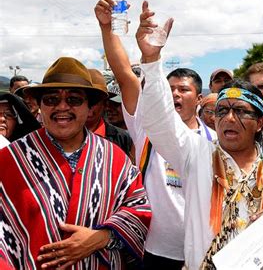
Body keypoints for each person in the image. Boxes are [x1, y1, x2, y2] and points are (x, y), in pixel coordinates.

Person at [133, 1, 263, 269]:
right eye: (222, 111)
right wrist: (151, 60)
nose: (229, 118)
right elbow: (159, 119)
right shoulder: (197, 154)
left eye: (240, 111)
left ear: (261, 122)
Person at [95, 0, 216, 269]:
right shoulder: (146, 125)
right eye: (169, 88)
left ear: (199, 99)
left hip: (202, 252)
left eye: (183, 89)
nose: (175, 93)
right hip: (150, 251)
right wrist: (106, 27)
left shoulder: (215, 141)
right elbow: (125, 74)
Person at [0, 57, 151, 269]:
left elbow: (139, 208)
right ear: (39, 106)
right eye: (51, 99)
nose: (62, 107)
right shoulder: (10, 160)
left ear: (89, 107)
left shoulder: (114, 158)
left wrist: (102, 237)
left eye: (74, 100)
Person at [86, 69, 134, 160]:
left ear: (104, 103)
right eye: (77, 100)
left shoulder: (123, 138)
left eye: (94, 101)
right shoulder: (62, 134)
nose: (88, 106)